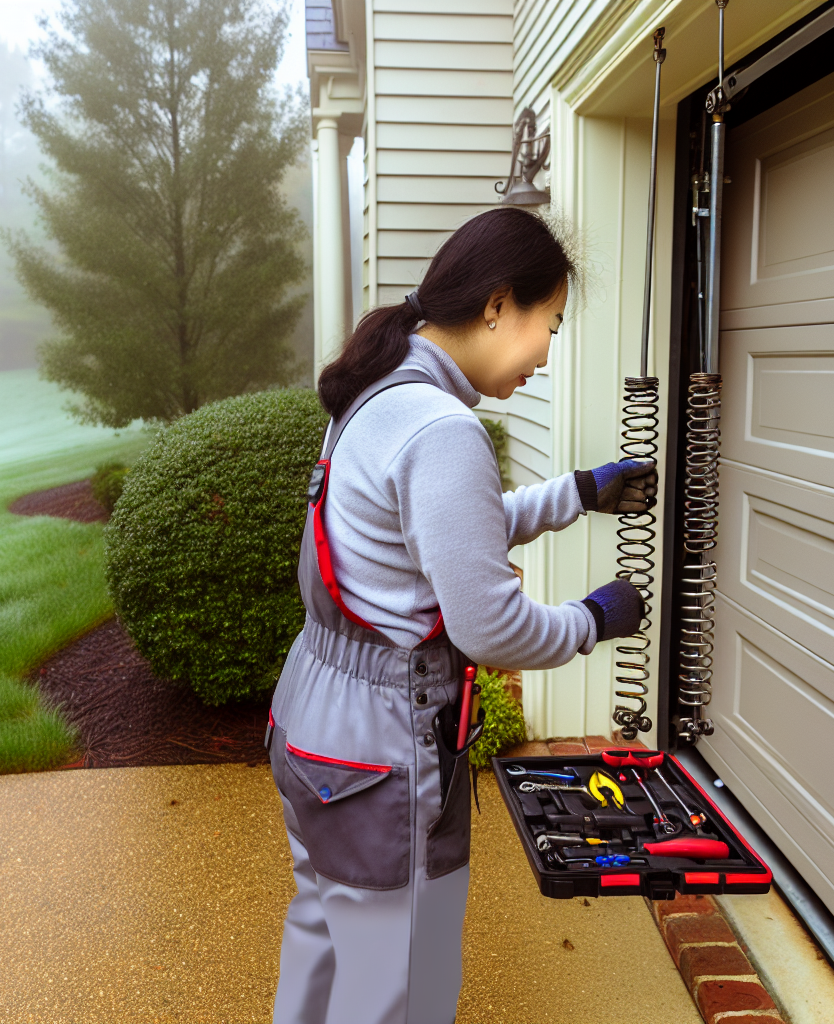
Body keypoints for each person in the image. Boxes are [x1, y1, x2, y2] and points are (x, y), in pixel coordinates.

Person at [267, 207, 657, 1024]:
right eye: (551, 324)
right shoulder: (441, 427)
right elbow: (490, 627)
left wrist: (577, 493)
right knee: (398, 991)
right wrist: (593, 619)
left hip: (315, 723)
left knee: (325, 945)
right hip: (379, 748)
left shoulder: (381, 392)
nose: (547, 353)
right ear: (497, 304)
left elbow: (443, 531)